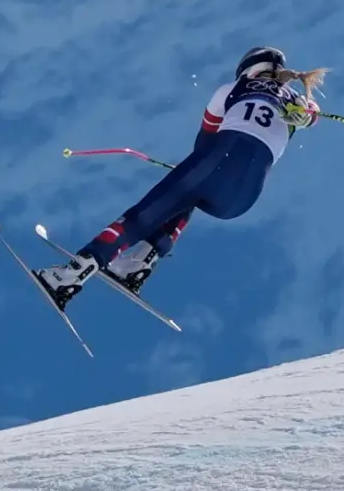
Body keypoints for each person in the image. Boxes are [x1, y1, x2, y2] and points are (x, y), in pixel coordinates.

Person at [34, 46, 326, 309]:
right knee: (190, 197)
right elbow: (312, 114)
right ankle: (139, 262)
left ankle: (69, 276)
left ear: (248, 68)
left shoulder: (233, 89)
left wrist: (193, 167)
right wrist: (308, 115)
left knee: (146, 214)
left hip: (217, 160)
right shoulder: (296, 102)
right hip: (242, 199)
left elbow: (205, 140)